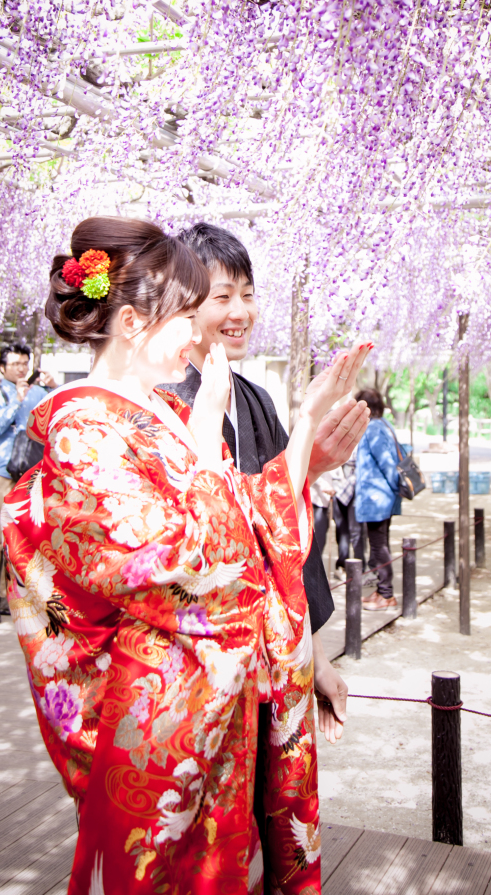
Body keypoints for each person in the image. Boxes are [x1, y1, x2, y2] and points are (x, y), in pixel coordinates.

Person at [2, 216, 369, 895]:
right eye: (187, 314)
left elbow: (248, 517)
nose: (198, 331)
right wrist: (206, 449)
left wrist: (304, 436)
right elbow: (179, 567)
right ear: (133, 323)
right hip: (157, 717)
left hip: (215, 707)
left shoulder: (162, 413)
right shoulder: (84, 428)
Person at [162, 221, 370, 748]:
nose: (241, 312)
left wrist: (316, 658)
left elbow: (285, 534)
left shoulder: (254, 399)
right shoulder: (161, 403)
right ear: (184, 304)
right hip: (198, 667)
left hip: (270, 658)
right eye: (223, 297)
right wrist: (306, 439)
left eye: (248, 295)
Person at [0, 343, 56, 624]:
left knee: (24, 538)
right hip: (1, 471)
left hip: (29, 472)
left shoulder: (38, 392)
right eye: (15, 364)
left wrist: (54, 388)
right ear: (2, 368)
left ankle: (10, 596)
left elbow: (57, 416)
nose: (22, 369)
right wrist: (16, 402)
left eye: (25, 363)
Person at [354, 388, 403, 611]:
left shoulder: (373, 428)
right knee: (380, 544)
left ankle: (386, 594)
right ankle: (381, 590)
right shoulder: (384, 424)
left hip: (377, 498)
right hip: (381, 496)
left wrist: (394, 487)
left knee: (379, 545)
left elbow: (386, 462)